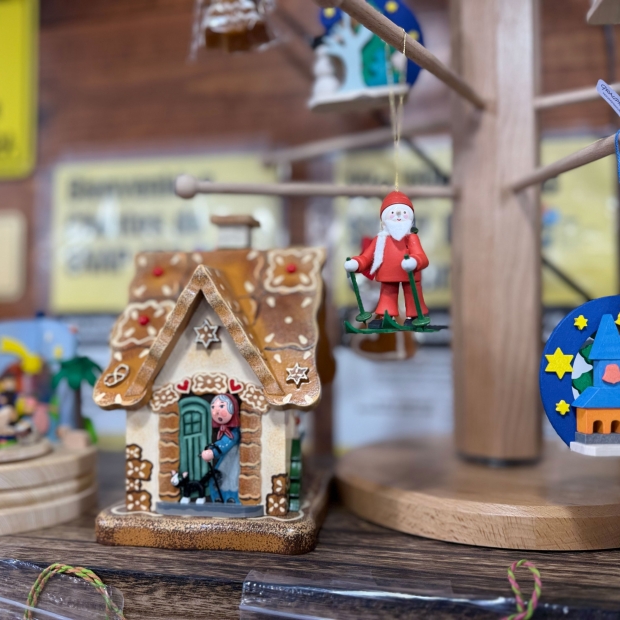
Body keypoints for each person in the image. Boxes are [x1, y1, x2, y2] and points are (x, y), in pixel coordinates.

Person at [344, 190, 429, 329]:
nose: (398, 216)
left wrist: (415, 261)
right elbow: (367, 257)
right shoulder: (380, 240)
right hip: (388, 275)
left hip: (410, 274)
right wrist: (356, 263)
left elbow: (422, 258)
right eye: (393, 213)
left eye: (404, 213)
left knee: (412, 295)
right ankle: (386, 316)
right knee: (387, 295)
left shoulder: (412, 238)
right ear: (384, 219)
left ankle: (414, 317)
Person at [200, 394, 240, 503]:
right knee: (221, 477)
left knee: (232, 478)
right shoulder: (225, 430)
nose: (215, 411)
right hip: (227, 458)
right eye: (213, 407)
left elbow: (226, 442)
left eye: (221, 406)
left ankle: (231, 498)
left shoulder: (234, 432)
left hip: (234, 459)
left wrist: (212, 452)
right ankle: (220, 497)